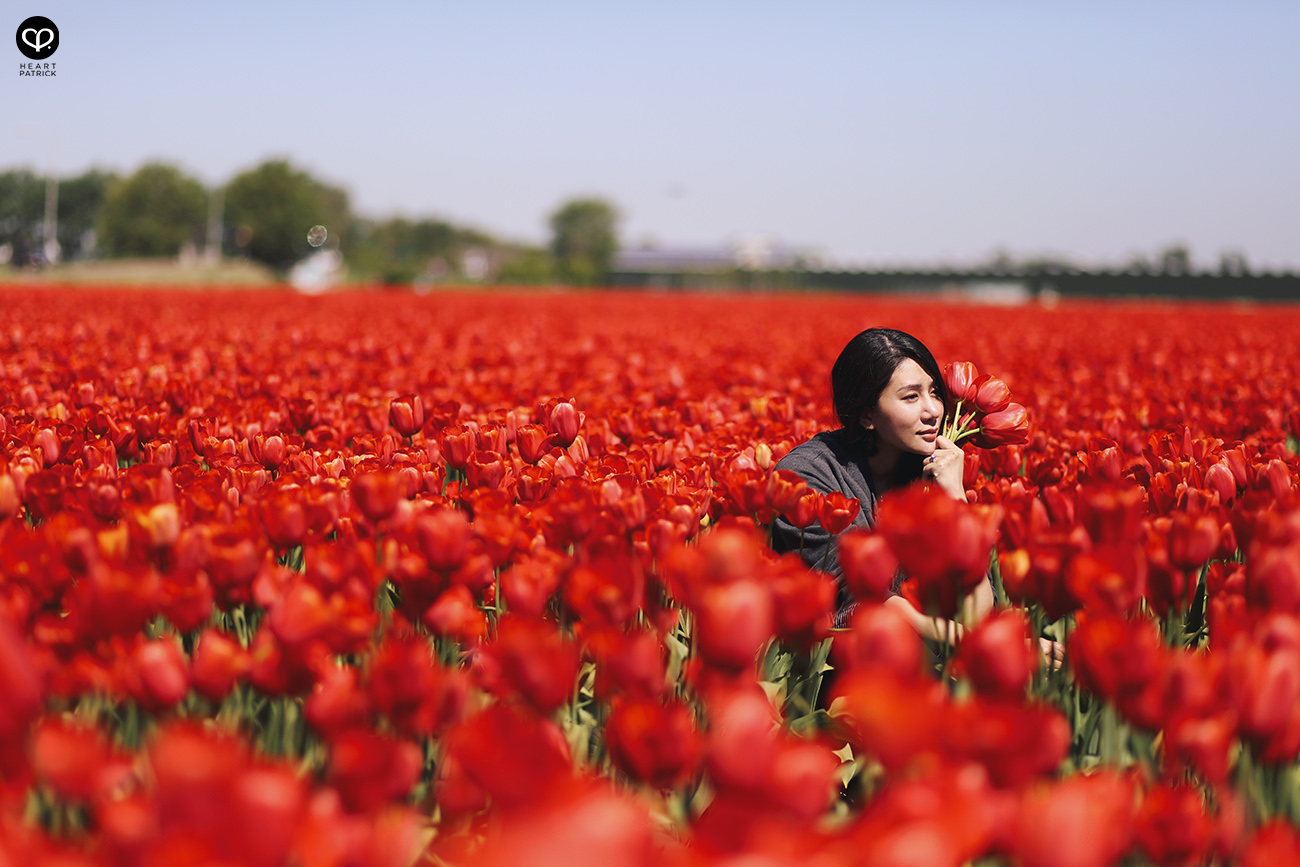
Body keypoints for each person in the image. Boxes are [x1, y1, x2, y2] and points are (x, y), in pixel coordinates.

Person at [770, 327, 990, 643]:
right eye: (911, 397)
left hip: (934, 661)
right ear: (866, 415)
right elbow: (856, 599)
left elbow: (977, 608)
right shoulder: (806, 475)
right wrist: (972, 643)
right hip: (839, 669)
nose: (933, 411)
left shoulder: (937, 472)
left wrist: (956, 497)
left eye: (935, 392)